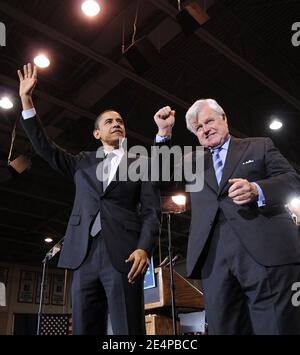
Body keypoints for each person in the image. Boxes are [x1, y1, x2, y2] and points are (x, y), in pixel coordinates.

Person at [18, 63, 160, 335]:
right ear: (97, 134)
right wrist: (26, 100)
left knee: (127, 330)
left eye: (120, 121)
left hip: (125, 254)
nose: (116, 124)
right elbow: (44, 147)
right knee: (84, 327)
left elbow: (152, 212)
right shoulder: (81, 162)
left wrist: (144, 248)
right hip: (83, 255)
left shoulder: (141, 163)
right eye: (109, 121)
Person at [154, 99, 300, 335]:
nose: (205, 128)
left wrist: (256, 189)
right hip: (214, 262)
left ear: (224, 119)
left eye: (209, 121)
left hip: (265, 254)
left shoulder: (259, 146)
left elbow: (293, 181)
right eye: (198, 128)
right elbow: (161, 182)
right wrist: (163, 135)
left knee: (276, 326)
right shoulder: (191, 162)